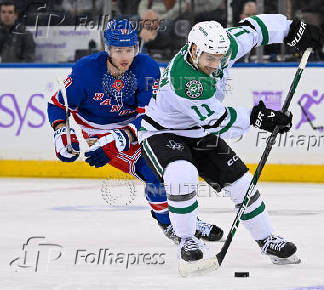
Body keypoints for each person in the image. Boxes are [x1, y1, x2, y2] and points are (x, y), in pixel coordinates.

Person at [138, 15, 322, 266]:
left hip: (199, 132)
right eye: (210, 58)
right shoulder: (185, 81)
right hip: (162, 133)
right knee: (182, 175)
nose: (216, 64)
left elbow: (253, 29)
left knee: (241, 182)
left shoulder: (224, 46)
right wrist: (259, 118)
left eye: (220, 58)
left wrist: (291, 28)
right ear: (193, 50)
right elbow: (217, 121)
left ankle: (267, 239)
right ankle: (186, 238)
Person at [47, 18, 223, 244]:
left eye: (130, 49)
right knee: (152, 173)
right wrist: (61, 131)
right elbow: (58, 104)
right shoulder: (85, 71)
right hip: (99, 132)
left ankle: (186, 220)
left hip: (138, 126)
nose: (125, 57)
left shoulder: (146, 68)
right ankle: (170, 225)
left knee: (175, 168)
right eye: (119, 50)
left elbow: (148, 114)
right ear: (107, 49)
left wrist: (125, 135)